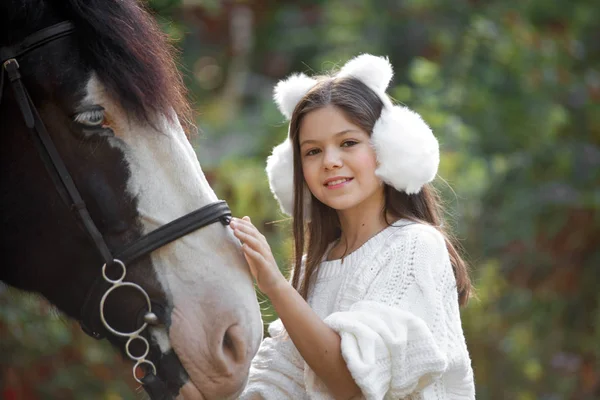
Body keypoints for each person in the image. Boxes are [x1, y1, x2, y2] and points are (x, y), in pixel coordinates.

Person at [230, 54, 475, 400]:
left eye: (348, 143)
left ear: (387, 148)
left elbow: (354, 383)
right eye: (312, 151)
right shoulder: (310, 270)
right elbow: (274, 382)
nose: (330, 161)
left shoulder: (416, 247)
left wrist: (274, 286)